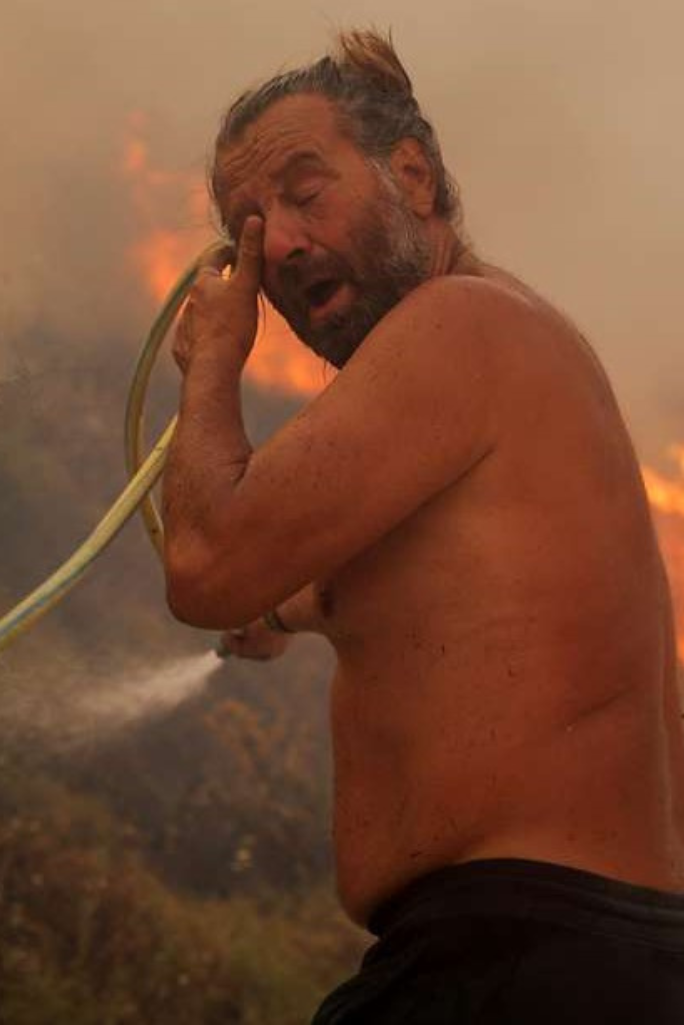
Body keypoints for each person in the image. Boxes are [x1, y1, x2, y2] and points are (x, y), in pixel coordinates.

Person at [161, 30, 684, 1023]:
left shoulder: (457, 325)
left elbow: (203, 564)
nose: (273, 244)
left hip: (516, 956)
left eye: (303, 193)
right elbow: (451, 588)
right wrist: (299, 608)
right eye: (248, 227)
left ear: (411, 174)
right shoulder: (514, 336)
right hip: (574, 956)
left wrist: (210, 365)